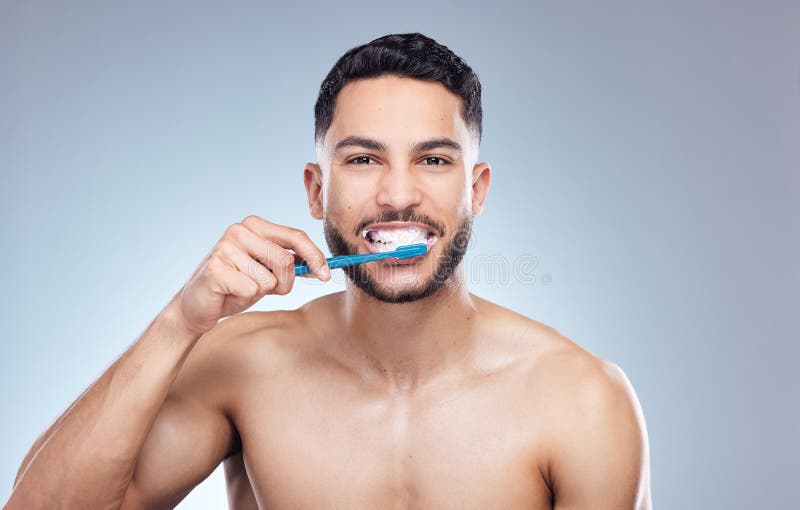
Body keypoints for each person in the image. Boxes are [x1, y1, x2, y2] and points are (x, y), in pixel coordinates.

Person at [7, 33, 652, 509]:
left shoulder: (582, 401)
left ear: (476, 191)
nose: (399, 195)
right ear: (316, 191)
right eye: (364, 160)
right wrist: (179, 324)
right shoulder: (241, 368)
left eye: (432, 161)